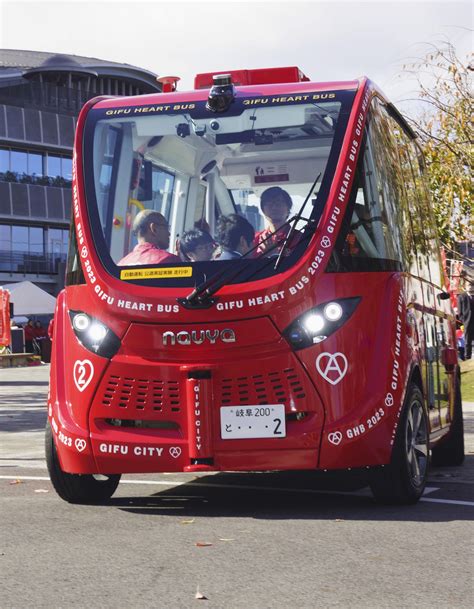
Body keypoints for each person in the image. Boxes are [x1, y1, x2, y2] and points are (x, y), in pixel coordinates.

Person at [254, 186, 300, 256]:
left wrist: (273, 255)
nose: (274, 207)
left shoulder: (300, 238)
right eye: (269, 203)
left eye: (278, 202)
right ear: (263, 210)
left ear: (288, 209)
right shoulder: (255, 239)